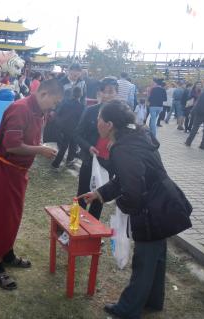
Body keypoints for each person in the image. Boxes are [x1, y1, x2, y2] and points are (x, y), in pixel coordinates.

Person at [79, 100, 170, 319]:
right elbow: (125, 179)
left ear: (109, 124)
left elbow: (133, 190)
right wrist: (100, 194)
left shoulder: (124, 147)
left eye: (99, 118)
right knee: (156, 257)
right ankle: (153, 300)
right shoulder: (136, 135)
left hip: (152, 208)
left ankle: (128, 309)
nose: (97, 122)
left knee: (145, 260)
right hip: (162, 201)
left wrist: (122, 209)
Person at [0, 79, 64, 290]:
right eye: (54, 101)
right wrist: (40, 150)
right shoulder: (20, 109)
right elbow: (12, 146)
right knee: (1, 218)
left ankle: (8, 253)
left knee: (13, 216)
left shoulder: (38, 111)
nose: (54, 106)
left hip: (19, 173)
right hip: (5, 171)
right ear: (43, 94)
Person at [74, 77, 118, 220]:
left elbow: (129, 133)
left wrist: (116, 141)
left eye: (111, 92)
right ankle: (76, 228)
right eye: (105, 92)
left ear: (116, 93)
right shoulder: (91, 111)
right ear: (99, 93)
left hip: (108, 163)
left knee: (99, 197)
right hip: (90, 160)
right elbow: (78, 134)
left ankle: (92, 233)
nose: (108, 95)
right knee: (82, 194)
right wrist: (89, 147)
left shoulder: (121, 113)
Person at [51, 86, 84, 169]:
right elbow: (81, 120)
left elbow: (59, 112)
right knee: (71, 145)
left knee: (65, 145)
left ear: (72, 93)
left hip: (62, 127)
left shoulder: (66, 102)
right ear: (81, 95)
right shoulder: (81, 106)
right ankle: (67, 161)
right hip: (73, 128)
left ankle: (57, 163)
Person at [185, 81, 204, 150]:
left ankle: (188, 142)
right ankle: (203, 145)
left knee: (195, 128)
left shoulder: (203, 93)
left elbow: (197, 104)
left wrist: (191, 112)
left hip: (200, 114)